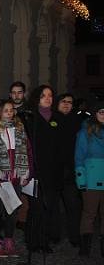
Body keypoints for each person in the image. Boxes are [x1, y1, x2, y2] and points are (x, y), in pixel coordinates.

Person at [0, 99, 31, 257]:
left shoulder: (18, 128)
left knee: (14, 207)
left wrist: (24, 172)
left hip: (15, 174)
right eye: (6, 110)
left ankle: (9, 239)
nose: (10, 113)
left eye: (11, 110)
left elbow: (24, 150)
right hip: (1, 175)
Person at [21, 85, 64, 252]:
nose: (48, 98)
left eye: (50, 95)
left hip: (53, 171)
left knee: (50, 207)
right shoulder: (29, 117)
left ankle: (45, 241)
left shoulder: (58, 118)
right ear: (37, 98)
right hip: (35, 170)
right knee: (36, 207)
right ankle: (33, 241)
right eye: (44, 95)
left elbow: (63, 146)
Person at [75, 100, 104, 257]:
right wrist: (81, 179)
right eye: (101, 111)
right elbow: (79, 157)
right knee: (89, 213)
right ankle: (85, 247)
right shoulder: (85, 131)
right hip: (91, 178)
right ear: (95, 113)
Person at [56, 92, 84, 247]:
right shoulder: (50, 119)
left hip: (71, 170)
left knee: (73, 205)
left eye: (70, 102)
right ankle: (54, 235)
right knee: (53, 206)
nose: (66, 104)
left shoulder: (78, 121)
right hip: (54, 170)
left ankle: (74, 236)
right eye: (63, 101)